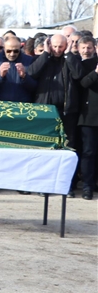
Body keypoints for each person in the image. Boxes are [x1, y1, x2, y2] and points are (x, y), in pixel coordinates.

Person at [28, 34, 84, 197]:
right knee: (46, 147)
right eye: (55, 46)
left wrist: (68, 55)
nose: (57, 50)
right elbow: (32, 72)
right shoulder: (43, 59)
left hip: (67, 111)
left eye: (61, 46)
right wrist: (45, 53)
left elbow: (78, 75)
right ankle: (44, 184)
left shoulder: (71, 58)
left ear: (66, 46)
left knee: (67, 147)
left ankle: (67, 185)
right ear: (49, 45)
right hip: (46, 112)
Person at [0, 36, 36, 103]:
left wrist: (24, 77)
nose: (12, 54)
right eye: (9, 51)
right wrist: (0, 76)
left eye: (16, 51)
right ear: (4, 48)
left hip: (22, 104)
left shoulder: (29, 61)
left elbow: (35, 87)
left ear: (20, 48)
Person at [78, 37, 97, 200]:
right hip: (89, 116)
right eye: (84, 47)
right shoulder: (84, 64)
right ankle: (87, 186)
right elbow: (83, 83)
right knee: (88, 152)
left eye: (89, 47)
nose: (87, 50)